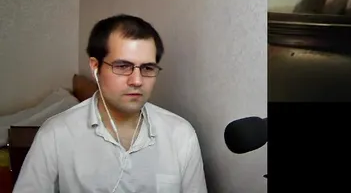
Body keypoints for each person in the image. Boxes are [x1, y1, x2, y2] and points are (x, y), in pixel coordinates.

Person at [14, 15, 208, 193]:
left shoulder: (181, 135)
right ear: (95, 68)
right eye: (123, 66)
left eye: (148, 68)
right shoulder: (56, 134)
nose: (137, 81)